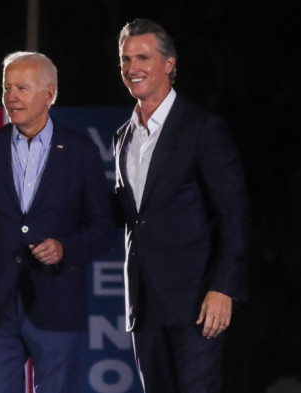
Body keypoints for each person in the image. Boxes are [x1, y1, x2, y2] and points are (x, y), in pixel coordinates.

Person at [0, 51, 113, 393]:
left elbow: (103, 226)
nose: (11, 97)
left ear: (49, 94)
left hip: (59, 306)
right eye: (7, 87)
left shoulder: (81, 152)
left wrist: (67, 248)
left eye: (21, 87)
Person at [112, 19, 250, 393]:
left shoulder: (202, 128)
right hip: (144, 305)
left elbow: (233, 214)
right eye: (126, 59)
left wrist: (224, 288)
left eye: (143, 57)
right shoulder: (123, 137)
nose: (132, 68)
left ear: (169, 64)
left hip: (197, 302)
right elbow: (131, 216)